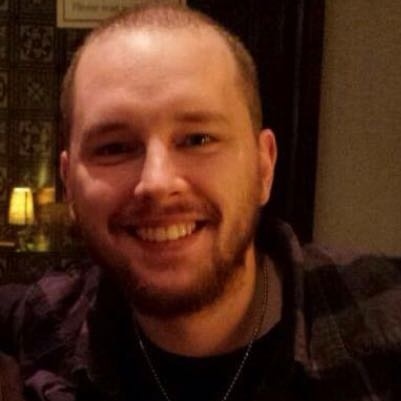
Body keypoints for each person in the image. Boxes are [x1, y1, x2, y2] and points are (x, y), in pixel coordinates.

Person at [0, 3, 400, 401]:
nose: (157, 183)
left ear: (263, 166)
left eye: (198, 139)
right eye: (114, 147)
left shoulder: (384, 316)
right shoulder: (46, 322)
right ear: (69, 185)